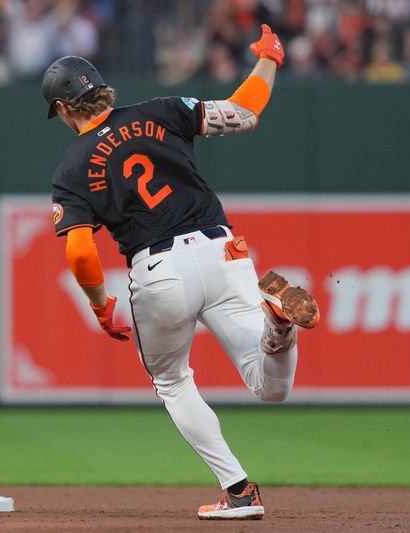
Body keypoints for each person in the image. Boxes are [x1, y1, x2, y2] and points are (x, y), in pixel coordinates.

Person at [43, 25, 320, 520]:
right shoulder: (162, 110)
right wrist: (269, 58)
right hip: (223, 252)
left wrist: (101, 305)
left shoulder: (72, 168)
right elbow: (244, 112)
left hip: (159, 269)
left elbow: (81, 252)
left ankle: (238, 490)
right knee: (271, 389)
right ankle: (277, 327)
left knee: (172, 382)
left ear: (64, 109)